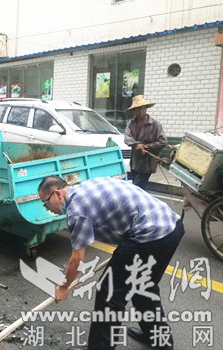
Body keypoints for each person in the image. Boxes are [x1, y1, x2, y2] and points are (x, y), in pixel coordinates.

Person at [38, 175, 184, 350]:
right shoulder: (86, 186)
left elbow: (77, 258)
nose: (47, 209)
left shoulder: (77, 210)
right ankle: (160, 339)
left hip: (149, 235)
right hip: (170, 227)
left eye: (45, 203)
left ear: (57, 194)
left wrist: (63, 287)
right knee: (143, 287)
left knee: (108, 293)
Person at [125, 95, 167, 190]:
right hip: (135, 162)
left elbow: (163, 141)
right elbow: (127, 138)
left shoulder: (155, 125)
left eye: (142, 108)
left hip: (147, 163)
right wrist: (137, 144)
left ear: (146, 109)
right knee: (139, 188)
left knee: (136, 188)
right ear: (134, 111)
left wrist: (147, 147)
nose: (140, 111)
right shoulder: (131, 123)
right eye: (137, 109)